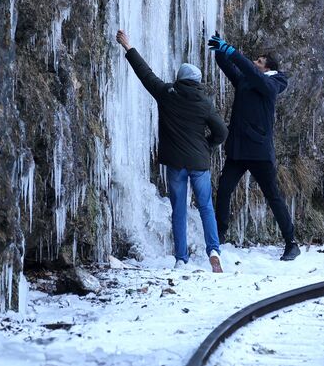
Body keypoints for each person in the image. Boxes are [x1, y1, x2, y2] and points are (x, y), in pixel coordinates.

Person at [116, 30, 228, 272]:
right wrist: (208, 146)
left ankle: (181, 258)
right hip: (200, 162)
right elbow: (222, 132)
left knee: (178, 209)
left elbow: (145, 74)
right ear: (197, 82)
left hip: (176, 163)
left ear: (179, 78)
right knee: (206, 206)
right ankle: (214, 250)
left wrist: (129, 47)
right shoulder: (205, 103)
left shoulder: (167, 94)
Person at [207, 32, 300, 261]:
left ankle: (291, 242)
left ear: (268, 67)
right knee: (224, 189)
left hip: (259, 152)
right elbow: (230, 68)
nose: (254, 63)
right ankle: (219, 235)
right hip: (238, 150)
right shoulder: (246, 80)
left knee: (273, 196)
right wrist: (220, 51)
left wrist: (233, 52)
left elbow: (261, 82)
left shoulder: (276, 81)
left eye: (258, 61)